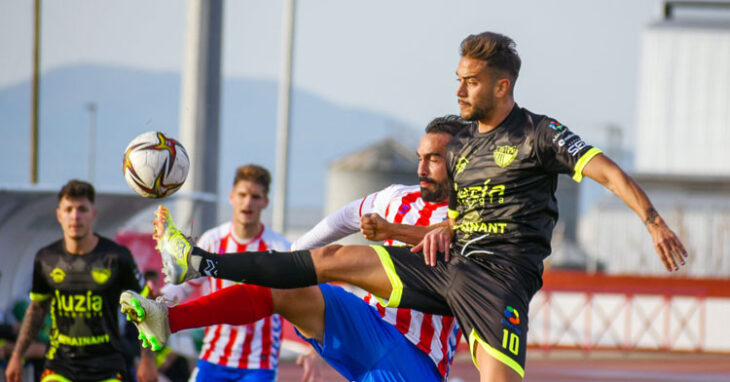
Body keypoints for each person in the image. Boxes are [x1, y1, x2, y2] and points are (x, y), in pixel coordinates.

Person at [151, 32, 688, 382]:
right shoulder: (465, 148)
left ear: (502, 86)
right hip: (450, 272)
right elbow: (462, 214)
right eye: (457, 78)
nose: (460, 88)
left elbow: (607, 170)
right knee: (335, 259)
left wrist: (653, 221)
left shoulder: (538, 134)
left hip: (496, 283)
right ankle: (198, 262)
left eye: (470, 81)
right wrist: (433, 231)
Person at [120, 116, 469, 381]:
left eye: (434, 159)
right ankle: (167, 319)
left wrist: (404, 230)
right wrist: (292, 265)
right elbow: (343, 219)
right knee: (284, 285)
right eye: (420, 157)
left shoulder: (474, 214)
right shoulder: (397, 196)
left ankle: (198, 263)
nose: (421, 168)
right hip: (367, 325)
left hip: (413, 357)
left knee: (336, 261)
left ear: (460, 161)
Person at [4, 179, 157, 382]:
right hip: (60, 366)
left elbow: (145, 309)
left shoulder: (117, 257)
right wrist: (17, 356)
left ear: (93, 215)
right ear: (59, 215)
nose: (75, 216)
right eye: (69, 209)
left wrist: (148, 360)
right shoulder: (46, 258)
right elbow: (37, 309)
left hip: (107, 367)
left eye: (82, 209)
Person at [156, 165, 290, 382]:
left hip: (259, 365)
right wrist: (157, 299)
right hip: (214, 358)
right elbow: (184, 284)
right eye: (243, 195)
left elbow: (299, 298)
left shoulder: (279, 247)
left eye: (256, 197)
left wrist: (315, 345)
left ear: (265, 202)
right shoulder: (212, 240)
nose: (248, 203)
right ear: (231, 197)